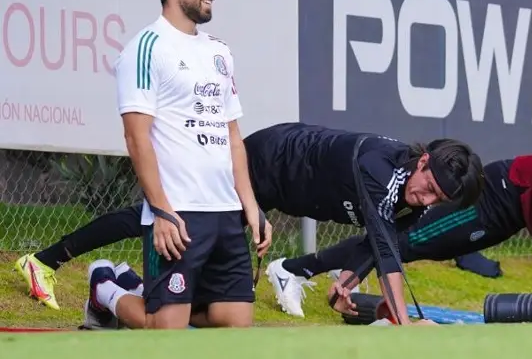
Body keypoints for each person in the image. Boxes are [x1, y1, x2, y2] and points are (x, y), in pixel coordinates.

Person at [16, 122, 484, 328]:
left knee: (223, 310)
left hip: (279, 191)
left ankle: (123, 285)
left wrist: (350, 279)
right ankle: (43, 260)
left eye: (437, 199)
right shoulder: (381, 170)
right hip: (264, 163)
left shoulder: (413, 192)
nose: (427, 198)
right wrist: (404, 324)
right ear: (422, 160)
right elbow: (386, 249)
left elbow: (386, 237)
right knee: (164, 217)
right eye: (428, 186)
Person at [265, 151, 532, 321]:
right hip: (501, 195)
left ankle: (335, 276)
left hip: (513, 212)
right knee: (407, 242)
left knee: (407, 244)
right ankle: (291, 269)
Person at [98, 0, 270, 330]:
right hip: (178, 215)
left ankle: (145, 291)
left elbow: (232, 135)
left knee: (235, 324)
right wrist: (161, 211)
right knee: (164, 330)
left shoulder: (220, 52)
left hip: (225, 215)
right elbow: (136, 139)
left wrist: (250, 207)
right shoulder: (146, 48)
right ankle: (105, 289)